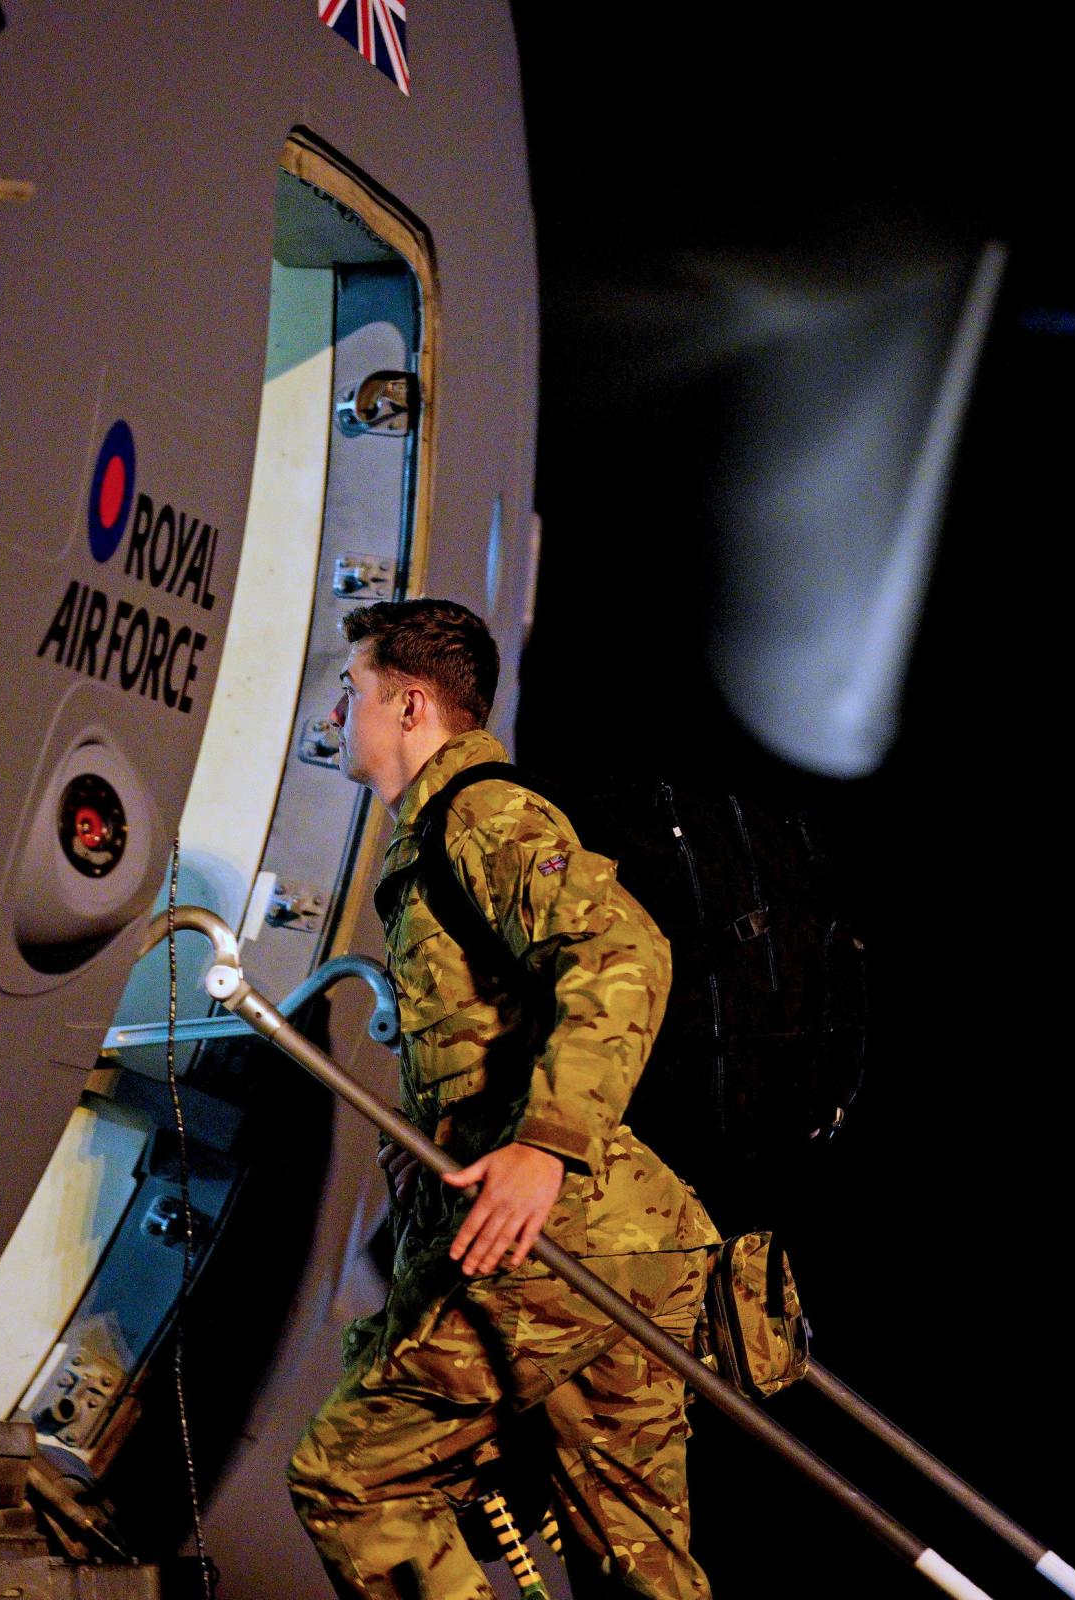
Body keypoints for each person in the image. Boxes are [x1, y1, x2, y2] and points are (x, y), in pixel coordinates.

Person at [286, 598, 720, 1599]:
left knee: (353, 1482)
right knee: (638, 1561)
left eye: (348, 694)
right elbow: (492, 1031)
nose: (331, 719)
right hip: (626, 1241)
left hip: (563, 1237)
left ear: (407, 705)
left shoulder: (482, 813)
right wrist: (449, 1131)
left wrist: (542, 1146)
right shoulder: (440, 828)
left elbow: (623, 951)